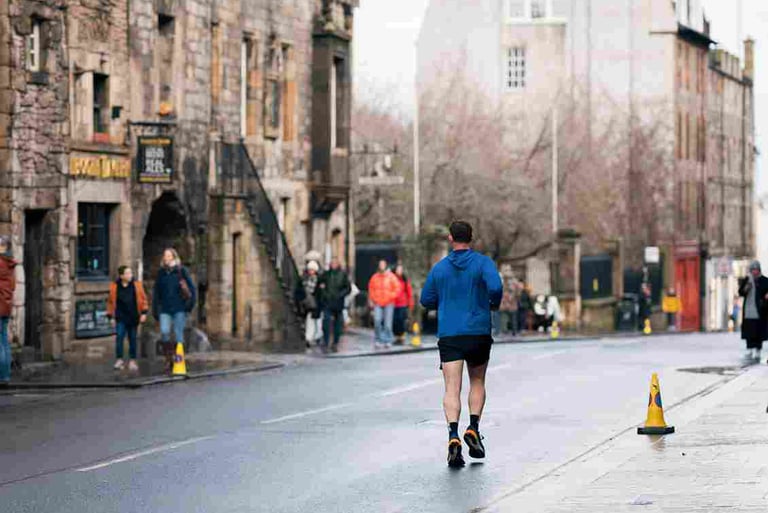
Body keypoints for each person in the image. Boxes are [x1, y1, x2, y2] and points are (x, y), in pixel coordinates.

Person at [420, 221, 503, 468]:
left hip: (450, 334)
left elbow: (426, 299)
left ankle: (453, 436)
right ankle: (474, 427)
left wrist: (445, 303)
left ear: (450, 238)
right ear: (471, 237)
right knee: (477, 381)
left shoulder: (440, 268)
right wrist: (491, 303)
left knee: (451, 388)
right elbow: (496, 287)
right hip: (477, 331)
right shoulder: (483, 263)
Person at [153, 248, 196, 372]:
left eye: (168, 255)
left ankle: (179, 360)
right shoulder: (161, 273)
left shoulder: (181, 271)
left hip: (179, 308)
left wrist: (188, 306)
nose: (166, 257)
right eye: (165, 255)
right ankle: (168, 359)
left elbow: (192, 290)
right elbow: (157, 292)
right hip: (165, 308)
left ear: (173, 257)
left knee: (178, 335)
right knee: (165, 333)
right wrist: (156, 309)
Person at [107, 265, 149, 372]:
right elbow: (110, 302)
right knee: (119, 337)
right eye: (127, 273)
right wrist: (110, 316)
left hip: (133, 316)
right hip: (121, 316)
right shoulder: (114, 286)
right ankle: (119, 359)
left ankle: (132, 360)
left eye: (130, 273)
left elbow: (144, 299)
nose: (130, 275)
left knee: (133, 338)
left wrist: (144, 313)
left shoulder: (137, 285)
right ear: (121, 276)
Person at [738, 261, 768, 361]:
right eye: (753, 270)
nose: (754, 272)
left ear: (759, 270)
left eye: (756, 269)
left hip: (760, 311)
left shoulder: (764, 280)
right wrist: (747, 286)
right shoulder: (747, 280)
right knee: (749, 331)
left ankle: (758, 351)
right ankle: (750, 350)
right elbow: (741, 292)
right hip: (749, 311)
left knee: (759, 332)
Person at [319, 257, 351, 351]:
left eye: (335, 263)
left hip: (338, 303)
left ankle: (335, 343)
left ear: (338, 264)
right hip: (327, 302)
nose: (333, 264)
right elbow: (320, 284)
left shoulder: (343, 274)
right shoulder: (326, 274)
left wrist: (340, 295)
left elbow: (348, 288)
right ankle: (326, 342)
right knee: (326, 322)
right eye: (332, 263)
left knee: (337, 325)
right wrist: (324, 293)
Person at [368, 259, 400, 349]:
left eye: (383, 264)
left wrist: (391, 296)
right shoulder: (374, 277)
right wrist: (373, 299)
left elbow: (397, 289)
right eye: (380, 264)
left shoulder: (391, 277)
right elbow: (371, 289)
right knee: (377, 321)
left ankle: (388, 340)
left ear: (386, 265)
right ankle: (378, 340)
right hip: (377, 303)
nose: (381, 266)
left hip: (389, 303)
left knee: (387, 324)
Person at [0, 235, 17, 385]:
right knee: (4, 341)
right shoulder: (10, 263)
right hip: (6, 306)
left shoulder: (1, 263)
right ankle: (5, 375)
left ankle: (2, 376)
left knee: (1, 342)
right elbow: (12, 286)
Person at [301, 260, 323, 348]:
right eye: (310, 269)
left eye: (313, 270)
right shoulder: (305, 278)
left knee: (315, 321)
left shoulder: (319, 279)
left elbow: (319, 293)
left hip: (315, 303)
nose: (311, 271)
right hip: (307, 303)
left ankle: (314, 337)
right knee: (309, 321)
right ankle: (309, 338)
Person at [393, 264, 414, 345]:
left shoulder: (405, 281)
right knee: (395, 320)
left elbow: (409, 293)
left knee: (401, 320)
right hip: (394, 303)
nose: (399, 271)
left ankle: (402, 337)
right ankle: (396, 336)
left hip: (402, 303)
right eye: (398, 269)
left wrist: (410, 303)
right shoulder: (392, 279)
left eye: (400, 270)